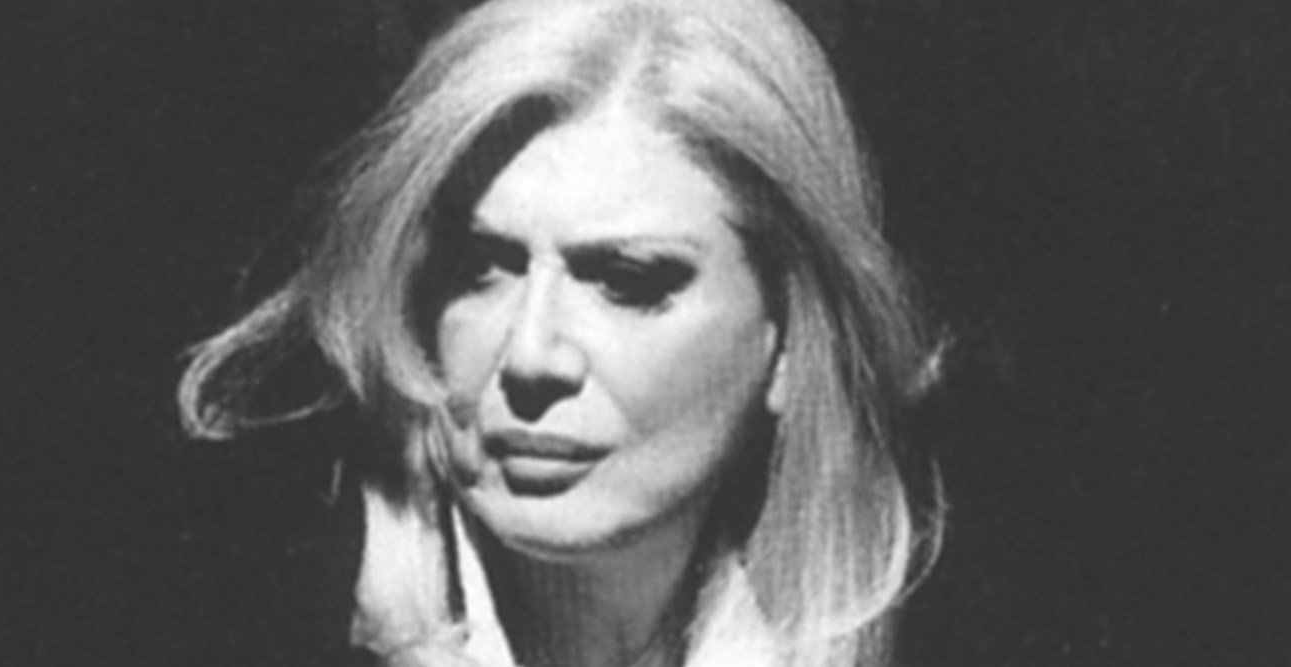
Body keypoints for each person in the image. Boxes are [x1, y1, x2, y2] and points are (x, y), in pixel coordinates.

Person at [178, 0, 943, 665]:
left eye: (627, 281)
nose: (530, 355)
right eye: (480, 268)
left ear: (793, 339)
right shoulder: (232, 614)